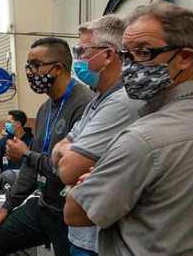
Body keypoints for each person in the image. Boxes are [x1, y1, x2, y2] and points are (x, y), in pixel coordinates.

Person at [64, 2, 193, 254]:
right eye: (126, 55)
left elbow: (75, 212)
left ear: (185, 57)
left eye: (143, 53)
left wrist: (93, 181)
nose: (129, 66)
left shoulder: (143, 140)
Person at [0, 37, 94, 256]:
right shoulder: (45, 108)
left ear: (58, 68)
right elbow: (32, 169)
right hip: (45, 207)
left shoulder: (85, 106)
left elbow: (69, 171)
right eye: (27, 66)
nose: (30, 72)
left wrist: (26, 154)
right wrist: (7, 206)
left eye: (35, 65)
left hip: (69, 215)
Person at [49, 15, 142, 256]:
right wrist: (68, 150)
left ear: (108, 55)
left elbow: (68, 169)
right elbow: (56, 154)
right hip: (82, 237)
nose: (77, 59)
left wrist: (69, 150)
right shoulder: (99, 100)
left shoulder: (122, 103)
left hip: (100, 241)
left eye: (81, 51)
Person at [0, 109, 33, 185]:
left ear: (18, 124)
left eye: (8, 122)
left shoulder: (32, 141)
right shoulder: (4, 142)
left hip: (26, 184)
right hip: (7, 184)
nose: (6, 124)